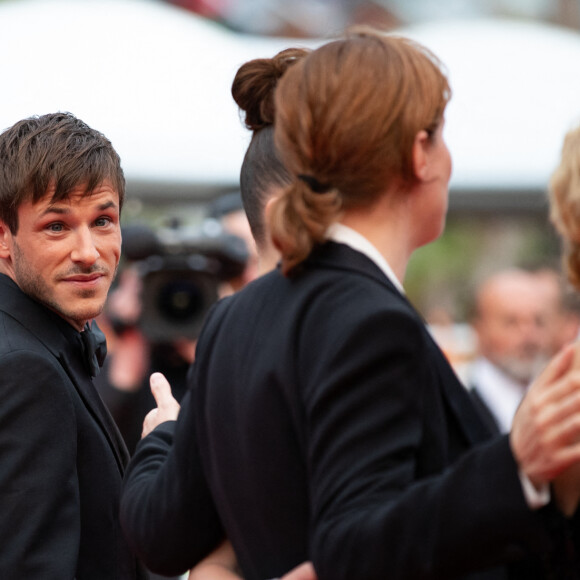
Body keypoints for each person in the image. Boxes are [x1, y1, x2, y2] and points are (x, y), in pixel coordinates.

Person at [121, 30, 580, 579]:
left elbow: (160, 535)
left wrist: (166, 437)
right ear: (419, 154)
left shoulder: (234, 315)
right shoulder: (370, 318)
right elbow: (351, 544)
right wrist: (512, 466)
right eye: (443, 137)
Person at [0, 112, 146, 578]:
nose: (87, 252)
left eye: (103, 220)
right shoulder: (26, 369)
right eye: (56, 227)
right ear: (4, 238)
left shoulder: (44, 346)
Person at [467, 268, 555, 434]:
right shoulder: (457, 410)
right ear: (479, 330)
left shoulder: (560, 405)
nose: (529, 335)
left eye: (539, 321)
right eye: (511, 322)